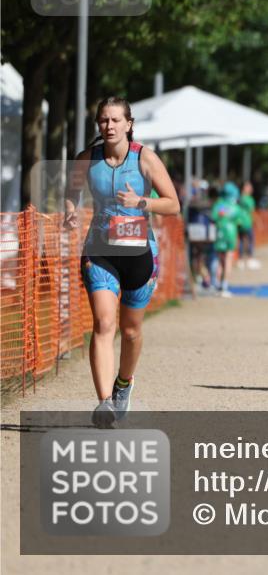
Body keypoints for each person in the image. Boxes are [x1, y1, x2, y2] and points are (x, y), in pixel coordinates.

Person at [63, 96, 180, 428]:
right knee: (103, 324)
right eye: (104, 120)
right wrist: (71, 211)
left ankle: (124, 383)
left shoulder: (145, 158)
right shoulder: (87, 159)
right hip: (100, 248)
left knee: (130, 331)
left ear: (129, 124)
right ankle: (104, 403)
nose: (109, 126)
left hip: (140, 252)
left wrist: (141, 201)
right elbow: (71, 193)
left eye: (115, 120)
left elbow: (173, 204)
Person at [211, 182, 242, 297]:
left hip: (220, 234)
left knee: (219, 260)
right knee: (228, 260)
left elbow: (213, 218)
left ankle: (217, 285)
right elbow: (239, 222)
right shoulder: (236, 207)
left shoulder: (219, 205)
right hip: (231, 235)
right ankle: (224, 286)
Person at [237, 181, 259, 270]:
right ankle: (250, 259)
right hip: (247, 222)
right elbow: (252, 211)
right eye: (249, 188)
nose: (251, 189)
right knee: (250, 240)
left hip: (239, 222)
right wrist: (257, 221)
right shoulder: (249, 199)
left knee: (241, 241)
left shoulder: (238, 198)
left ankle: (241, 260)